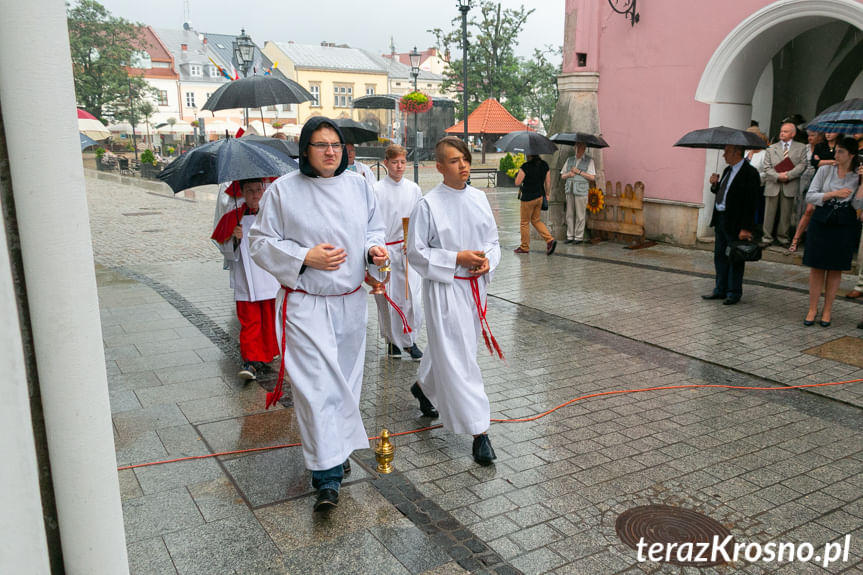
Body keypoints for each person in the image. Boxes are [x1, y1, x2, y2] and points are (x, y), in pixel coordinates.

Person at [248, 117, 388, 512]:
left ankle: (337, 451)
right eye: (321, 144)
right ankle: (326, 474)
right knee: (314, 388)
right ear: (305, 150)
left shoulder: (360, 185)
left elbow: (374, 230)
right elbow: (259, 243)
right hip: (305, 302)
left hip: (349, 301)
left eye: (336, 145)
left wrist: (373, 252)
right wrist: (303, 257)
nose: (330, 151)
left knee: (345, 382)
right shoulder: (283, 191)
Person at [406, 136, 502, 465]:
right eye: (454, 160)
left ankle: (424, 386)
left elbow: (492, 240)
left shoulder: (478, 198)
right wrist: (455, 257)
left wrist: (488, 259)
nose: (463, 165)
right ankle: (480, 432)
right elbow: (416, 253)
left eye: (465, 158)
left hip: (474, 288)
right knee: (461, 358)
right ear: (439, 167)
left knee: (454, 349)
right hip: (444, 289)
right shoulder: (428, 204)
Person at [211, 179, 280, 380]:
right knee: (250, 321)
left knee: (269, 319)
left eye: (259, 190)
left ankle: (266, 354)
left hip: (269, 277)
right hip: (246, 278)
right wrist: (234, 238)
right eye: (250, 191)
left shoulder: (272, 215)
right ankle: (250, 360)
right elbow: (225, 250)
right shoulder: (233, 217)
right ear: (242, 193)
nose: (256, 195)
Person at [801, 137, 863, 327]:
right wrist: (832, 194)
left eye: (841, 152)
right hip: (822, 219)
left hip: (844, 222)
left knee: (835, 268)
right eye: (836, 151)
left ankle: (827, 310)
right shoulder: (825, 170)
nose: (836, 155)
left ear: (852, 155)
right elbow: (810, 195)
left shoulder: (856, 175)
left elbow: (857, 204)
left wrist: (862, 183)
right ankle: (812, 308)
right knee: (817, 266)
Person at [373, 144, 424, 360]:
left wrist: (413, 240)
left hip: (406, 249)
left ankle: (410, 339)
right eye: (395, 162)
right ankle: (393, 341)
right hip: (384, 250)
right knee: (389, 298)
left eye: (403, 162)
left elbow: (420, 218)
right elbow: (371, 222)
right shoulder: (376, 189)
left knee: (412, 297)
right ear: (386, 164)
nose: (399, 166)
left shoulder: (413, 189)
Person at [701, 144, 760, 305]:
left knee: (735, 256)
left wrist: (746, 227)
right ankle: (720, 289)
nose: (724, 155)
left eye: (727, 152)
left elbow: (751, 202)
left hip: (736, 222)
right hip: (721, 218)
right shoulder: (728, 170)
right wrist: (714, 184)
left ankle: (733, 292)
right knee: (720, 256)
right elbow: (722, 191)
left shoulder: (750, 173)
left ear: (737, 152)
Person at [761, 121, 807, 247]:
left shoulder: (801, 147)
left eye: (785, 131)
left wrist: (788, 175)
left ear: (793, 134)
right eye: (781, 131)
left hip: (790, 183)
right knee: (769, 213)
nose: (782, 133)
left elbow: (803, 165)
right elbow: (766, 167)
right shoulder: (771, 148)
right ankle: (766, 238)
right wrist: (778, 176)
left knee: (786, 213)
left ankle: (783, 238)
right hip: (773, 184)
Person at [513, 155, 556, 255]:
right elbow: (548, 182)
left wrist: (518, 174)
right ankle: (549, 240)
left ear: (529, 154)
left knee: (524, 222)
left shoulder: (526, 166)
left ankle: (524, 247)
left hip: (528, 198)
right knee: (536, 220)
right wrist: (547, 194)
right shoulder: (544, 165)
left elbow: (517, 182)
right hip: (539, 197)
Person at [560, 143, 596, 244]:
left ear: (584, 148)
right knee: (569, 214)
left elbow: (592, 177)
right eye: (577, 147)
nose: (579, 149)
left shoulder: (589, 161)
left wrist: (579, 172)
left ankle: (579, 237)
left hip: (581, 190)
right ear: (575, 147)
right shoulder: (569, 159)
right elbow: (562, 175)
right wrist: (569, 174)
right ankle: (570, 236)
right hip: (570, 189)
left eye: (581, 147)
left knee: (580, 214)